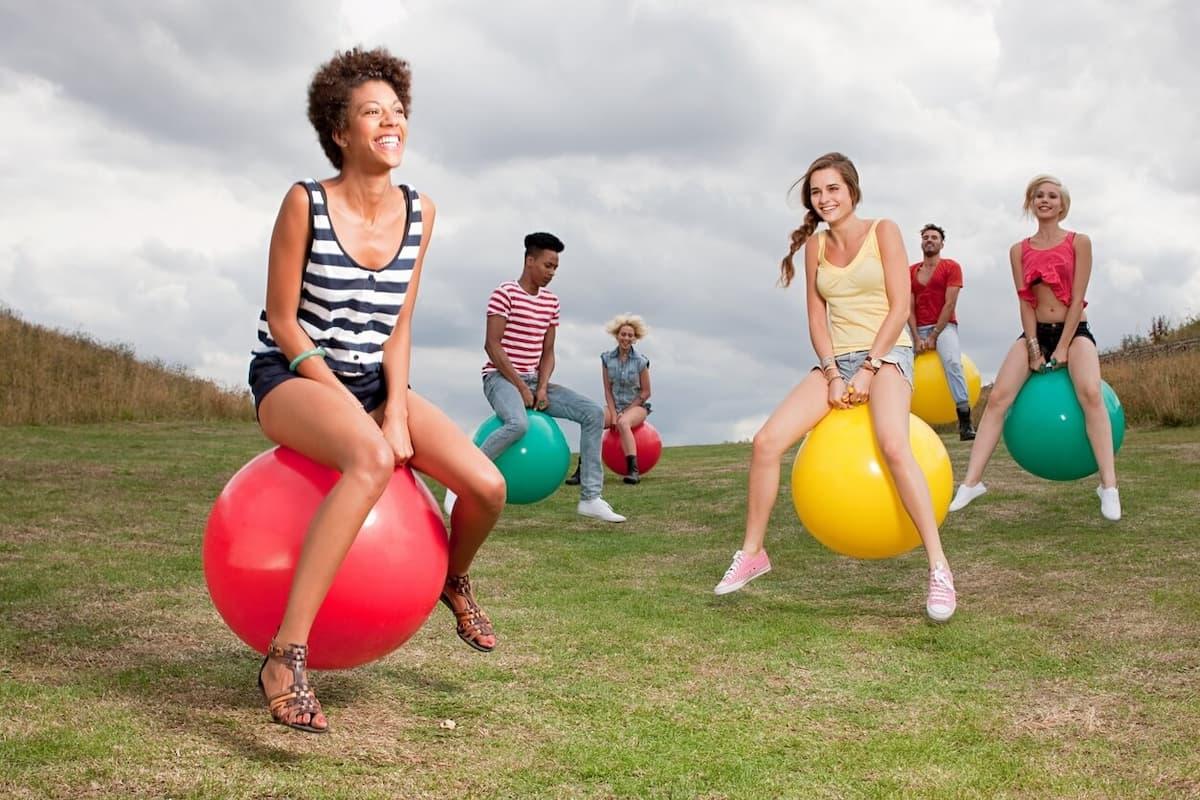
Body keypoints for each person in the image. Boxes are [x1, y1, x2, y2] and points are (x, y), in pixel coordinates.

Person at [246, 47, 506, 733]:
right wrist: (345, 400)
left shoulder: (421, 211)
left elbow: (399, 322)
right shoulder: (305, 202)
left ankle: (451, 577)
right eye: (372, 113)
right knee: (368, 461)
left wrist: (395, 407)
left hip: (372, 379)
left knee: (486, 487)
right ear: (340, 131)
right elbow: (282, 318)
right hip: (293, 375)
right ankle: (284, 655)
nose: (390, 123)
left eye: (397, 112)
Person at [713, 152, 958, 623]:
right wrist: (830, 373)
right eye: (816, 192)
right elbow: (815, 318)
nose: (824, 199)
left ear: (852, 190)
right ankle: (753, 554)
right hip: (836, 359)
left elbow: (900, 304)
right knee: (765, 443)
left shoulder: (883, 230)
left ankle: (939, 568)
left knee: (891, 442)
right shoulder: (816, 248)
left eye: (832, 189)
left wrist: (868, 368)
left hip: (887, 352)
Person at [948, 175, 1120, 520]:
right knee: (998, 398)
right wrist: (1032, 346)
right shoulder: (1018, 250)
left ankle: (1108, 486)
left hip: (1075, 330)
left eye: (1052, 196)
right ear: (1031, 203)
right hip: (1035, 331)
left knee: (1089, 392)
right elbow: (1025, 301)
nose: (1045, 200)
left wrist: (1064, 347)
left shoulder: (1079, 242)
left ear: (1062, 204)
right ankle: (971, 483)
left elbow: (1077, 300)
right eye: (1039, 195)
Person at [447, 232, 626, 523]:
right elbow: (492, 346)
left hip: (534, 382)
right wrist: (521, 387)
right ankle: (460, 482)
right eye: (547, 265)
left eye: (555, 267)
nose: (552, 272)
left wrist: (541, 388)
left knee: (593, 413)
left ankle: (591, 498)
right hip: (499, 379)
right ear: (530, 261)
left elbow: (548, 352)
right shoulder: (504, 293)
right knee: (518, 423)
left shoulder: (551, 303)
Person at [908, 223, 976, 440]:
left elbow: (949, 304)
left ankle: (965, 422)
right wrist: (917, 337)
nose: (929, 240)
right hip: (916, 328)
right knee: (896, 363)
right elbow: (908, 307)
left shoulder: (951, 267)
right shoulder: (910, 271)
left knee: (953, 362)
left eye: (934, 237)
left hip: (944, 326)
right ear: (921, 242)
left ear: (942, 243)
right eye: (926, 237)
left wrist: (934, 336)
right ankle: (899, 419)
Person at [599, 313, 653, 485]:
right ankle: (583, 469)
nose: (626, 338)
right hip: (614, 406)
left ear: (635, 338)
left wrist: (625, 413)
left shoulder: (640, 362)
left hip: (636, 407)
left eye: (630, 335)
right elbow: (607, 390)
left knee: (623, 424)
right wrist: (614, 414)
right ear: (617, 335)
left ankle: (633, 471)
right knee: (592, 419)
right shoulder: (607, 359)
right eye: (623, 334)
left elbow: (645, 392)